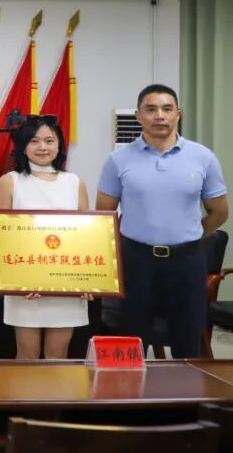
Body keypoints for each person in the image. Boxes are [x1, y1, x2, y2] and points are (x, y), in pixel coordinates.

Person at [96, 84, 228, 358]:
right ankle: (130, 388)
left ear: (178, 114)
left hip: (187, 261)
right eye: (151, 109)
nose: (160, 116)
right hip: (136, 261)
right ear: (138, 116)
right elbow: (105, 214)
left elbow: (219, 212)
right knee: (131, 342)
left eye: (167, 109)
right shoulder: (118, 160)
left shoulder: (203, 157)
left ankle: (185, 388)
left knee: (188, 341)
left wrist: (191, 234)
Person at [0, 115, 91, 359]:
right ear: (23, 146)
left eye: (49, 140)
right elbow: (0, 238)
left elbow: (87, 236)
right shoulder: (10, 182)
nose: (42, 147)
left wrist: (89, 281)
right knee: (27, 355)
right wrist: (19, 281)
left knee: (58, 356)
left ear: (59, 145)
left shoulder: (74, 182)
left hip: (66, 284)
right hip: (24, 286)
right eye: (34, 141)